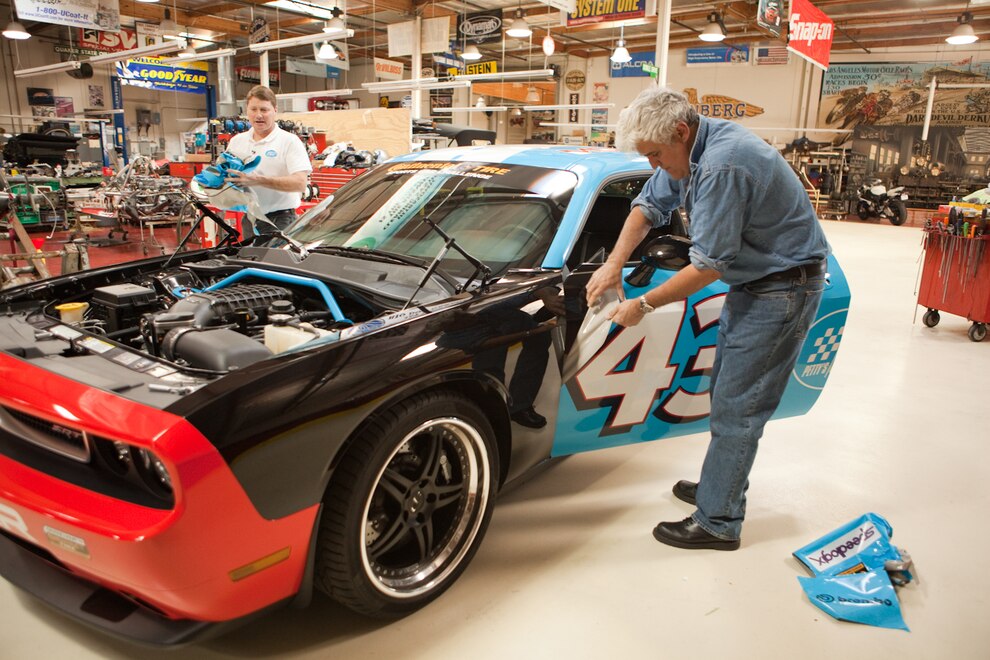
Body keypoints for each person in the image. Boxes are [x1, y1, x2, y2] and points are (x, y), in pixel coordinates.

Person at [585, 87, 830, 551]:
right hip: (758, 283)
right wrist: (614, 263)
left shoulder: (721, 164)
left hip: (783, 287)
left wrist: (643, 305)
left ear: (681, 130)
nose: (655, 165)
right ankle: (723, 482)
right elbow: (646, 205)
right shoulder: (689, 150)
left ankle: (719, 520)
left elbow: (709, 265)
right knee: (728, 392)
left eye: (656, 154)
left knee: (740, 404)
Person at [225, 85, 312, 239]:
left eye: (264, 110)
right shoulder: (237, 141)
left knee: (277, 262)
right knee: (250, 262)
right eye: (254, 109)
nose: (259, 115)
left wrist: (257, 180)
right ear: (247, 110)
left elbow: (300, 183)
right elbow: (227, 174)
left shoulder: (289, 141)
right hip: (250, 219)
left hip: (280, 221)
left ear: (274, 110)